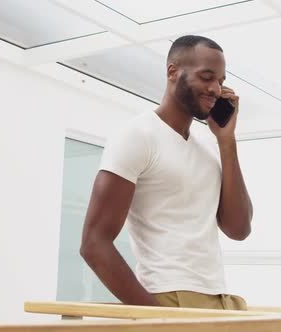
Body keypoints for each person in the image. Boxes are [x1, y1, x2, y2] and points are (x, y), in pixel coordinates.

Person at [79, 35, 253, 310]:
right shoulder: (137, 136)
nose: (216, 89)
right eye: (206, 77)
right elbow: (94, 244)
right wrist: (158, 319)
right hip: (170, 298)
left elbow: (239, 229)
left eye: (220, 81)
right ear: (173, 72)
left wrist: (226, 140)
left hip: (220, 299)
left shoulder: (208, 147)